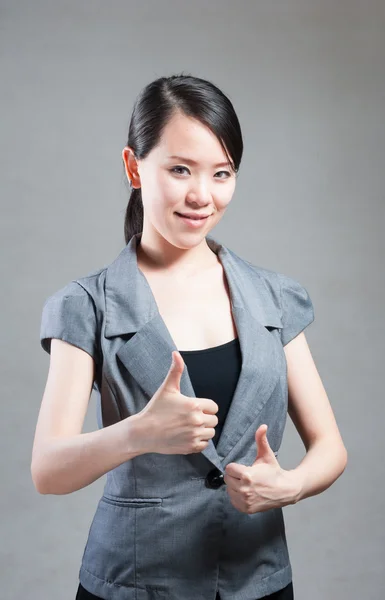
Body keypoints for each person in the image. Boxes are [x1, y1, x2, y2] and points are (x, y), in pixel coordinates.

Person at [32, 73, 347, 600]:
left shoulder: (274, 296)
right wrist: (139, 433)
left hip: (260, 579)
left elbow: (330, 447)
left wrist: (289, 486)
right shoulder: (86, 305)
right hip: (134, 586)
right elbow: (47, 470)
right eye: (180, 170)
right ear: (134, 167)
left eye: (222, 173)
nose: (202, 195)